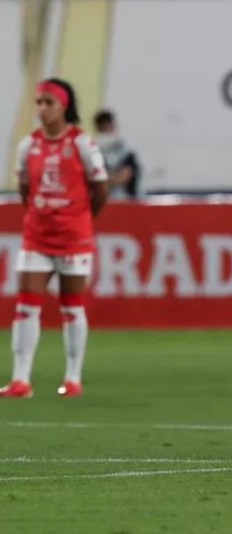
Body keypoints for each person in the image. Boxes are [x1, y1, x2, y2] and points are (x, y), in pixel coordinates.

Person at [0, 78, 109, 398]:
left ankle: (72, 377)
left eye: (49, 102)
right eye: (39, 102)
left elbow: (100, 189)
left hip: (74, 238)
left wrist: (81, 220)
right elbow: (25, 189)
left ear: (64, 106)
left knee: (72, 306)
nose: (42, 108)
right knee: (26, 305)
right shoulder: (27, 145)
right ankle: (21, 379)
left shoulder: (81, 144)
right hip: (38, 236)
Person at [94, 109, 141, 199]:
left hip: (127, 200)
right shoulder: (94, 150)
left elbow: (124, 177)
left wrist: (109, 179)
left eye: (108, 126)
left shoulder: (126, 149)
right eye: (103, 128)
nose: (107, 130)